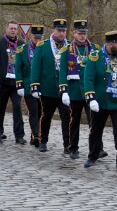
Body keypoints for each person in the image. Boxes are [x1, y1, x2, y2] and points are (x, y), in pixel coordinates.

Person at [83, 30, 117, 171]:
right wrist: (91, 98)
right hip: (100, 102)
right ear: (111, 43)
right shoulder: (95, 57)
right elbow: (88, 79)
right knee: (96, 130)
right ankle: (92, 156)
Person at [58, 20, 107, 160]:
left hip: (90, 90)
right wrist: (64, 90)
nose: (82, 36)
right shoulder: (66, 50)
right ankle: (73, 148)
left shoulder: (95, 49)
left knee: (95, 121)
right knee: (74, 121)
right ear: (74, 33)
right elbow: (62, 71)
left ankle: (98, 149)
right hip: (74, 91)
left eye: (84, 33)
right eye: (80, 33)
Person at [30, 19, 70, 153]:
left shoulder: (69, 46)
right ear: (54, 30)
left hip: (64, 90)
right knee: (46, 116)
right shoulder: (43, 46)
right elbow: (35, 66)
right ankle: (43, 141)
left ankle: (67, 144)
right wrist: (34, 85)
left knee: (66, 116)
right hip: (48, 88)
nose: (62, 33)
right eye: (59, 30)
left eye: (64, 31)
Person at [15, 25, 44, 147]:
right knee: (33, 111)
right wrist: (19, 84)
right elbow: (18, 68)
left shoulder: (46, 48)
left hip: (43, 86)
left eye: (40, 38)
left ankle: (35, 135)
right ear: (30, 36)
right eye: (35, 38)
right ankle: (36, 135)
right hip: (28, 86)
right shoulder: (22, 50)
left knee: (41, 111)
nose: (37, 41)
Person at [0, 20, 25, 144]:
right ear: (6, 28)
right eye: (11, 28)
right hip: (2, 82)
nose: (13, 30)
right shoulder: (1, 43)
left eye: (15, 28)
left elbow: (25, 64)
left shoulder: (21, 44)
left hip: (16, 83)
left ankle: (19, 135)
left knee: (17, 107)